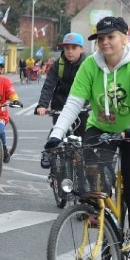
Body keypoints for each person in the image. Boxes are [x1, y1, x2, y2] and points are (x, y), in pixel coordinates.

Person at [44, 16, 130, 260]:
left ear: (124, 38)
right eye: (101, 38)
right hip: (101, 129)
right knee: (94, 188)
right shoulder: (90, 67)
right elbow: (74, 102)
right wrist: (56, 134)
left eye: (111, 37)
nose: (105, 42)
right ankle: (108, 232)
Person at [36, 32, 88, 167]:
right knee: (58, 131)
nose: (70, 51)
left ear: (81, 49)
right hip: (60, 104)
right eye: (67, 48)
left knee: (83, 139)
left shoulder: (88, 65)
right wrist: (43, 105)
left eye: (74, 48)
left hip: (82, 106)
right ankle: (49, 152)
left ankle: (83, 166)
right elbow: (49, 85)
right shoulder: (58, 64)